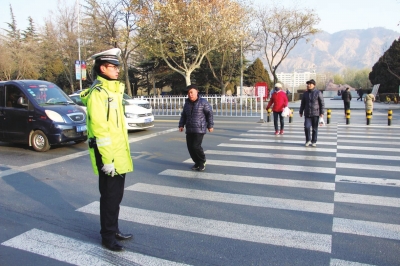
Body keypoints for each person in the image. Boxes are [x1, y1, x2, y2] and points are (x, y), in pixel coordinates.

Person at [80, 48, 133, 252]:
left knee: (116, 197)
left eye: (118, 66)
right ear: (103, 68)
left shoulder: (113, 91)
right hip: (108, 156)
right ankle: (107, 237)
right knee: (109, 197)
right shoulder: (99, 94)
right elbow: (101, 130)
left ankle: (114, 228)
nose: (118, 70)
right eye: (114, 66)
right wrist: (108, 160)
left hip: (118, 153)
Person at [179, 84, 214, 171]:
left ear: (196, 92)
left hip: (199, 128)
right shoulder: (187, 103)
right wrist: (181, 125)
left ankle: (202, 161)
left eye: (191, 92)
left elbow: (209, 114)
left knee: (196, 146)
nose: (190, 94)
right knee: (190, 147)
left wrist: (210, 125)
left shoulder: (203, 102)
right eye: (188, 93)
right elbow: (183, 115)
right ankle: (196, 162)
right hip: (189, 128)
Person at [299, 79, 325, 147]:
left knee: (314, 128)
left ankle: (314, 141)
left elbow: (322, 103)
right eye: (308, 84)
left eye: (310, 84)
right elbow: (302, 103)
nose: (308, 85)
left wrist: (322, 112)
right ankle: (308, 140)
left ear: (314, 85)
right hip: (307, 113)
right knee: (307, 127)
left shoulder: (318, 93)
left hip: (315, 113)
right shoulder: (305, 93)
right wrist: (301, 111)